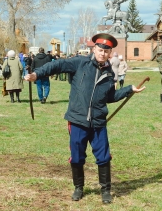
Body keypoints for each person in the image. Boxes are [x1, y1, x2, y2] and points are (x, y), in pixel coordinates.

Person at [25, 33, 145, 204]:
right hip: (77, 120)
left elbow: (110, 97)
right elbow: (57, 65)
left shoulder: (110, 74)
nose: (103, 53)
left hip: (98, 123)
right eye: (100, 49)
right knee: (77, 156)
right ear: (94, 48)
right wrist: (37, 74)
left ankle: (105, 190)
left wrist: (129, 89)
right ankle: (78, 188)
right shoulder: (80, 63)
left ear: (110, 53)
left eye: (107, 50)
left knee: (103, 157)